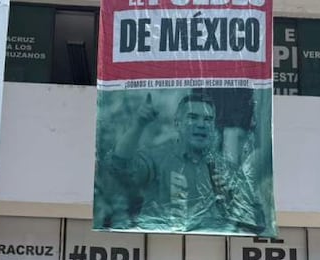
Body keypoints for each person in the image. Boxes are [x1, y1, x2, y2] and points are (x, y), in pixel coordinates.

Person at [107, 91, 265, 233]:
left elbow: (257, 223)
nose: (201, 124)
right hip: (162, 247)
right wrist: (138, 125)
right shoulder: (157, 157)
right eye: (193, 117)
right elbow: (120, 165)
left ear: (213, 127)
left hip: (210, 252)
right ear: (177, 123)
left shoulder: (226, 168)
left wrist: (233, 201)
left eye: (208, 119)